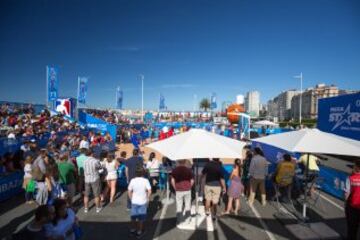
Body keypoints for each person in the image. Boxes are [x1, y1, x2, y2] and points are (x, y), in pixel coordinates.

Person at [128, 166, 151, 238]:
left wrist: (131, 199)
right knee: (141, 218)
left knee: (133, 217)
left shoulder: (132, 180)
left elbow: (129, 191)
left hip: (134, 201)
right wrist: (147, 198)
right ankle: (139, 231)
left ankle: (132, 230)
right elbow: (149, 190)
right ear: (143, 173)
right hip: (142, 202)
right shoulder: (145, 181)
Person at [171, 159, 194, 226]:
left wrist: (175, 188)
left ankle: (179, 220)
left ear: (178, 162)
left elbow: (172, 180)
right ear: (185, 162)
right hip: (187, 189)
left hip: (179, 190)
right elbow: (192, 180)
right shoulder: (188, 170)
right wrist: (190, 186)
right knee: (187, 205)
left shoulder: (175, 170)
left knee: (179, 205)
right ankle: (187, 219)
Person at [344, 160, 360, 240]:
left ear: (356, 167)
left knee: (352, 229)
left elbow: (346, 195)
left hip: (352, 207)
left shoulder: (350, 178)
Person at [83, 148, 103, 213]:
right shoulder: (95, 161)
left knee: (86, 195)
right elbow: (100, 167)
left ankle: (86, 208)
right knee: (96, 194)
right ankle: (98, 208)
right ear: (92, 153)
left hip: (87, 179)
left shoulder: (84, 161)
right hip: (94, 178)